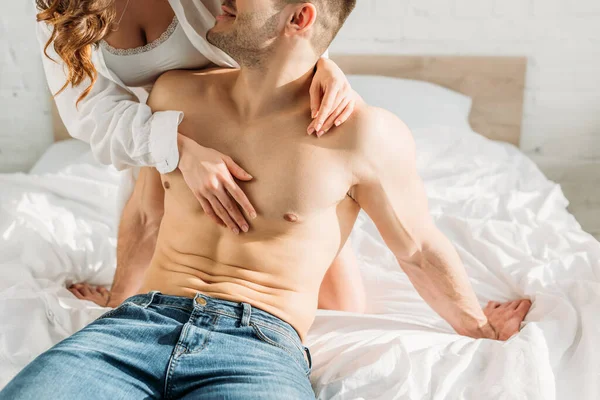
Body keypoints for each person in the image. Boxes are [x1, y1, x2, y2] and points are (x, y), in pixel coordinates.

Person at [2, 0, 532, 398]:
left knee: (344, 296)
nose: (224, 1)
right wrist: (118, 301)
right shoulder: (172, 98)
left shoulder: (365, 135)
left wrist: (480, 327)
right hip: (138, 325)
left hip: (255, 345)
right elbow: (144, 214)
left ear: (299, 18)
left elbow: (417, 249)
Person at [34, 0, 365, 312]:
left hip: (263, 129)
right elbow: (89, 111)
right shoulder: (60, 5)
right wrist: (179, 150)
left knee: (342, 307)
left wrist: (319, 62)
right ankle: (117, 301)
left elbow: (271, 15)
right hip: (159, 130)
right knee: (144, 242)